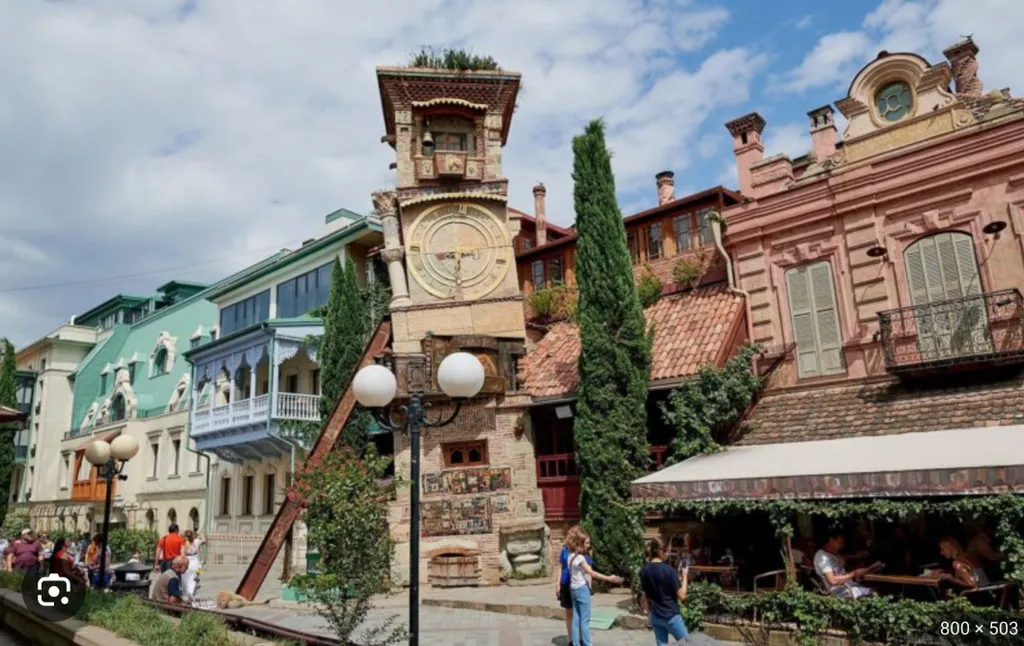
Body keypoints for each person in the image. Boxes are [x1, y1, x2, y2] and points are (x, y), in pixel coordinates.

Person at [567, 530, 623, 646]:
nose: (588, 545)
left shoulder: (570, 556)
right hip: (582, 589)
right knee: (585, 620)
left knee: (576, 619)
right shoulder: (580, 558)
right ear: (580, 543)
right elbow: (591, 573)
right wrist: (609, 578)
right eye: (586, 543)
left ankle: (576, 643)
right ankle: (587, 644)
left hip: (573, 589)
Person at [639, 537, 689, 645]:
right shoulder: (669, 571)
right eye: (668, 551)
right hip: (671, 615)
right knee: (687, 643)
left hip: (656, 616)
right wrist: (685, 577)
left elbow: (645, 593)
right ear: (661, 552)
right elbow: (682, 595)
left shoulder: (644, 570)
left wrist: (647, 610)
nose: (669, 554)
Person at [813, 532, 875, 599]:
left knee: (874, 589)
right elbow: (832, 580)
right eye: (839, 542)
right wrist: (854, 573)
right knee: (874, 593)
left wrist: (857, 568)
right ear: (831, 540)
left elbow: (844, 571)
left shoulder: (834, 554)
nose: (841, 545)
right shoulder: (821, 556)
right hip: (841, 591)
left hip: (850, 586)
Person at [181, 529, 204, 599]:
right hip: (195, 561)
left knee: (185, 578)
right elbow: (204, 540)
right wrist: (200, 533)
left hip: (187, 560)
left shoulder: (183, 543)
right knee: (194, 577)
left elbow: (182, 554)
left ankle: (186, 592)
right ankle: (191, 592)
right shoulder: (196, 541)